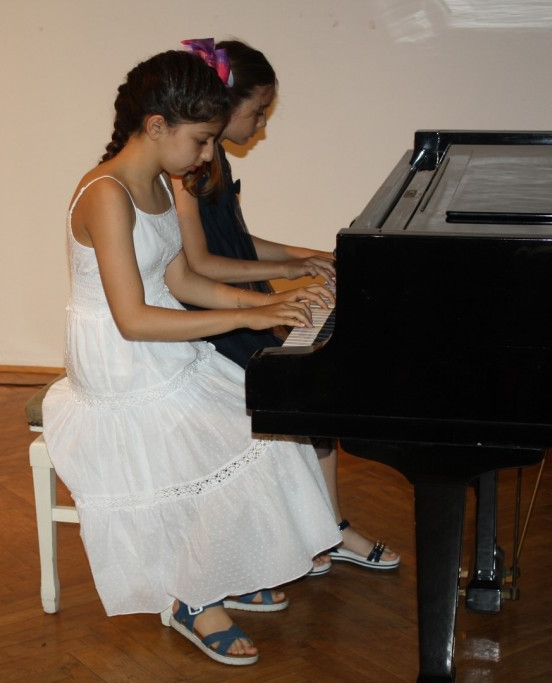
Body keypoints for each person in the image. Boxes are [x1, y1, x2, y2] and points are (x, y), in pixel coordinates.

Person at [42, 48, 342, 666]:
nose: (208, 155)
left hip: (163, 348)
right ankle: (189, 597)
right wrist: (249, 314)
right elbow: (132, 318)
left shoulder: (157, 182)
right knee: (215, 445)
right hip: (121, 364)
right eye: (202, 140)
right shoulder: (105, 194)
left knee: (271, 432)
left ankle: (222, 568)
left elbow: (181, 278)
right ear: (157, 126)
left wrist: (267, 303)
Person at [172, 39, 400, 573]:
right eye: (258, 112)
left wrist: (305, 256)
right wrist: (285, 279)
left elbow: (237, 243)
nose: (261, 126)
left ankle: (323, 528)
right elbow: (201, 263)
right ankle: (313, 530)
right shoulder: (186, 168)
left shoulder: (211, 158)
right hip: (206, 322)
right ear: (225, 105)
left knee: (315, 382)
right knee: (305, 387)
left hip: (238, 305)